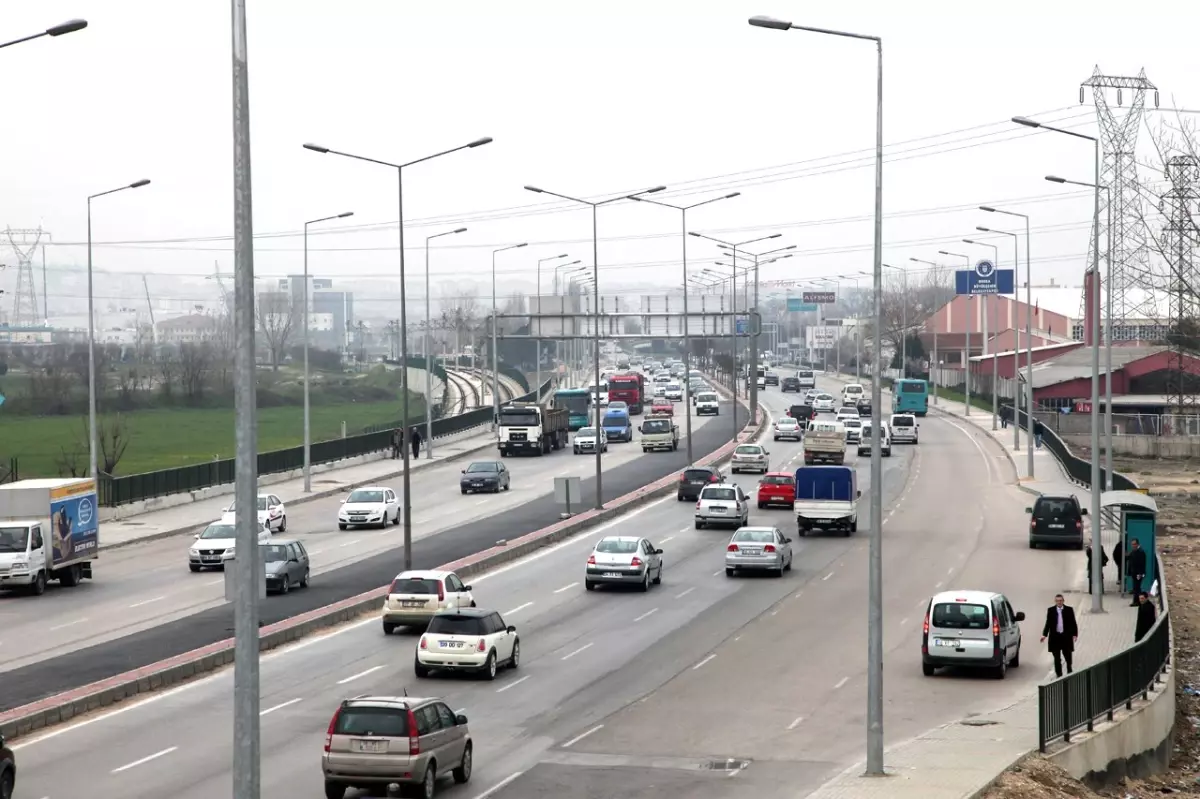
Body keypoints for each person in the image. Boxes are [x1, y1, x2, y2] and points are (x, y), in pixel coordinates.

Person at [1041, 594, 1078, 678]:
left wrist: (1075, 634)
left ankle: (1069, 668)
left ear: (1063, 601)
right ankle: (1059, 674)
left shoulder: (1069, 610)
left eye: (1060, 600)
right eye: (1057, 601)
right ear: (1055, 601)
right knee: (1057, 658)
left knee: (1068, 655)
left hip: (1066, 637)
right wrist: (1044, 635)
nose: (1059, 602)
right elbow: (1048, 623)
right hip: (1055, 637)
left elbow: (1073, 623)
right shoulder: (1051, 610)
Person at [1126, 538, 1148, 606]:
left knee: (1136, 588)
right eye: (1132, 544)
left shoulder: (1140, 552)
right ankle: (1139, 601)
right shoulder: (1134, 551)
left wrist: (1140, 574)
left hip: (1138, 574)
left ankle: (1137, 602)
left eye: (1134, 544)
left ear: (1138, 544)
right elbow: (1130, 559)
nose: (1133, 545)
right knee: (1136, 588)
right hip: (1134, 573)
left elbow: (1141, 564)